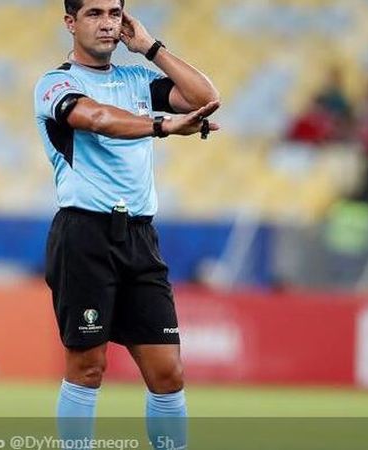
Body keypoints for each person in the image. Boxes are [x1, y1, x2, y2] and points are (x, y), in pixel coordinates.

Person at [33, 1, 219, 449]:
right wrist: (163, 125)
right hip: (85, 234)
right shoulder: (55, 83)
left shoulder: (139, 79)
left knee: (168, 372)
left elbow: (205, 98)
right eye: (94, 13)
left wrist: (151, 48)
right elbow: (96, 118)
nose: (107, 23)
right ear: (70, 23)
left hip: (139, 236)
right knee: (87, 368)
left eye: (114, 13)